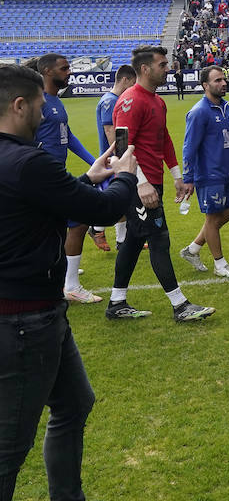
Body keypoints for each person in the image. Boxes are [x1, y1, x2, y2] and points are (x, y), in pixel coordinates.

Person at [0, 64, 140, 501]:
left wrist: (91, 177)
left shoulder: (16, 162)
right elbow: (103, 210)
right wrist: (123, 175)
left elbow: (50, 202)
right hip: (24, 318)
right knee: (9, 448)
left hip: (39, 311)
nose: (44, 110)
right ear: (19, 105)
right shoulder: (27, 161)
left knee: (74, 403)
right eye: (38, 103)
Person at [106, 46, 215, 323]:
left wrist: (177, 175)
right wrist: (141, 184)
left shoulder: (157, 101)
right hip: (137, 184)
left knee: (132, 241)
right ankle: (180, 305)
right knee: (159, 238)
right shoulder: (131, 101)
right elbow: (120, 148)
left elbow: (163, 139)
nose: (168, 69)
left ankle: (116, 302)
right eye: (163, 65)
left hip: (152, 181)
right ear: (145, 69)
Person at [31, 55, 102, 306]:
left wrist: (94, 161)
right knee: (78, 221)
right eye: (65, 68)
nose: (70, 72)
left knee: (58, 225)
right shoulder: (37, 102)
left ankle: (59, 268)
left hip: (55, 175)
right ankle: (70, 285)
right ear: (47, 71)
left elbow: (67, 136)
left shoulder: (55, 102)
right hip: (45, 177)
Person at [177, 67, 229, 278]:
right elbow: (189, 148)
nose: (223, 83)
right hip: (207, 175)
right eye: (217, 80)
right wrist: (188, 178)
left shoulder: (225, 107)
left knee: (228, 213)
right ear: (205, 85)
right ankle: (220, 264)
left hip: (224, 172)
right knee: (212, 218)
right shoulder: (199, 112)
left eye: (224, 79)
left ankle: (193, 250)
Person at [95, 64, 136, 252]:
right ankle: (96, 228)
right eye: (132, 83)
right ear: (125, 80)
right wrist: (122, 157)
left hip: (115, 160)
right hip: (113, 161)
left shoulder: (114, 99)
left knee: (123, 200)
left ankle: (120, 240)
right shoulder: (110, 101)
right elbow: (110, 131)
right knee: (117, 201)